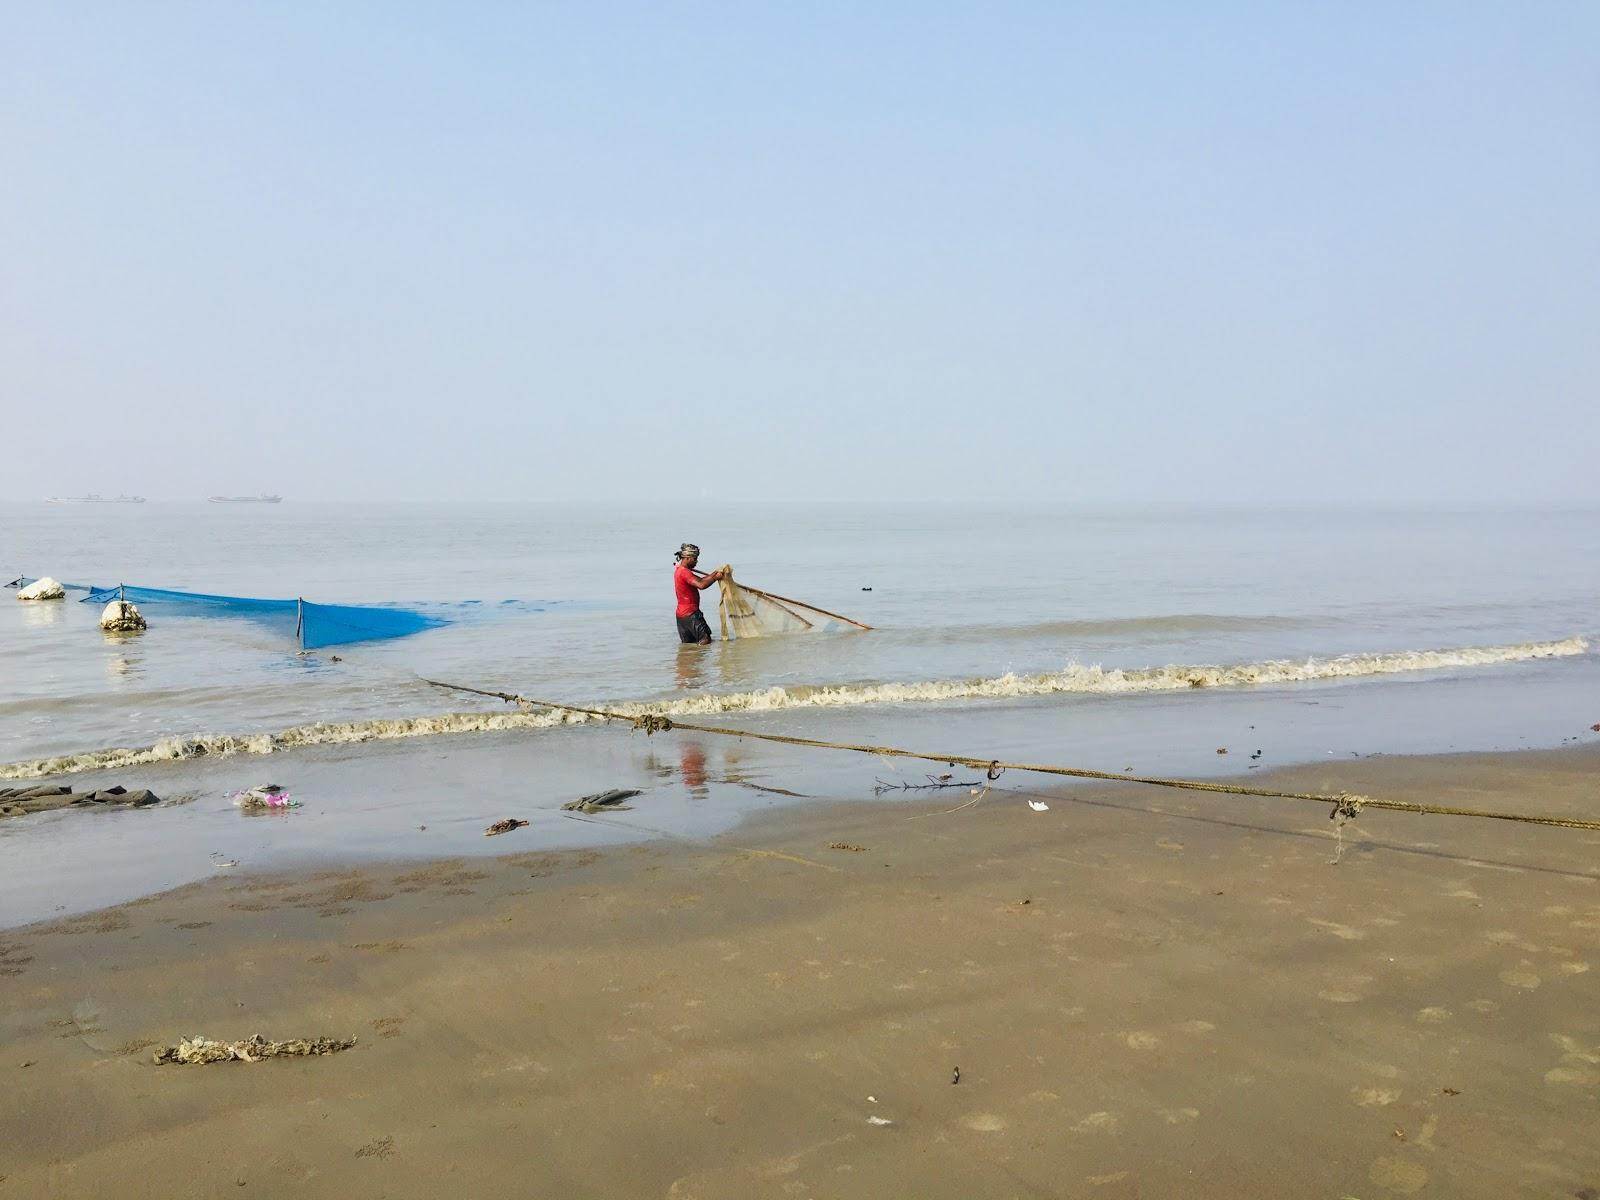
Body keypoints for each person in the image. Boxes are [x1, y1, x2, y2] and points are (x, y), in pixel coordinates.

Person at [673, 543, 726, 645]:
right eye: (695, 558)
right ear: (687, 558)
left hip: (681, 616)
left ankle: (692, 660)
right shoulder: (685, 573)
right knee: (705, 639)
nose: (696, 561)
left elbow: (700, 580)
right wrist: (715, 578)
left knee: (689, 645)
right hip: (691, 614)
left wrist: (715, 573)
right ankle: (703, 660)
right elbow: (701, 585)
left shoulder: (680, 571)